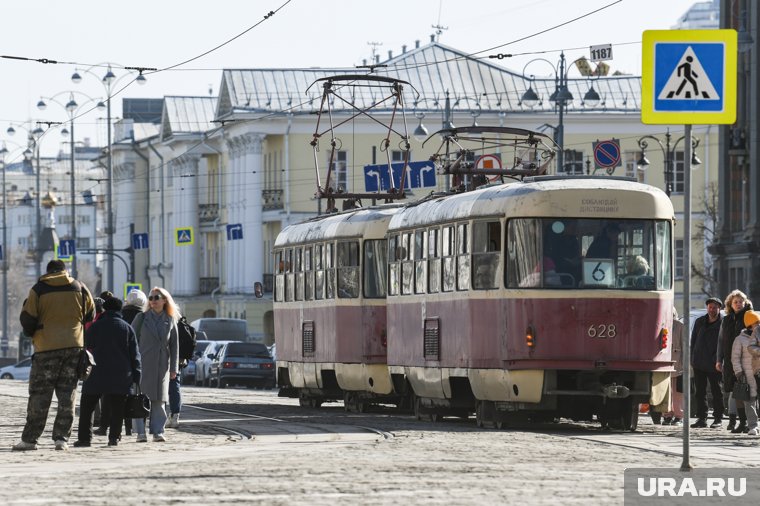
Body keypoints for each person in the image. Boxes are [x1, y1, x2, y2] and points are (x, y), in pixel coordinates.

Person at [13, 260, 95, 451]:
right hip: (74, 347)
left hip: (46, 348)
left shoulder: (38, 289)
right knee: (68, 395)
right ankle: (61, 439)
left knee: (40, 395)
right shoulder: (80, 288)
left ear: (48, 271)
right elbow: (90, 315)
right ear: (65, 271)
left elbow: (28, 320)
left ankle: (30, 440)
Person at [73, 296, 141, 447]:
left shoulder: (96, 326)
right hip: (121, 375)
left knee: (87, 406)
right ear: (119, 310)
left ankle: (85, 438)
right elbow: (135, 354)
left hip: (96, 373)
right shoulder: (127, 328)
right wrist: (137, 375)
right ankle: (114, 438)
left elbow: (86, 345)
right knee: (118, 408)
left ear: (104, 309)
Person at [131, 287, 179, 443]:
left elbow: (174, 346)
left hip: (162, 364)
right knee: (140, 398)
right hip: (142, 363)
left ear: (164, 300)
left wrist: (174, 369)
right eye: (150, 298)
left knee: (159, 399)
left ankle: (158, 431)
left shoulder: (170, 319)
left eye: (156, 297)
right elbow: (131, 340)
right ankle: (140, 432)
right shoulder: (142, 318)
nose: (152, 301)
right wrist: (132, 362)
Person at [716, 289, 753, 433]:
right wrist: (719, 359)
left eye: (740, 301)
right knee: (736, 391)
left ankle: (750, 423)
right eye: (735, 302)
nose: (738, 304)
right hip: (730, 360)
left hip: (747, 360)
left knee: (747, 392)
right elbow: (720, 341)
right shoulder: (726, 319)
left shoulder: (750, 317)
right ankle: (742, 423)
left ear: (745, 302)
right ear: (730, 304)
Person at [690, 297, 725, 428]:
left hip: (715, 362)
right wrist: (693, 358)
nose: (712, 309)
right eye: (710, 307)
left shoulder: (723, 322)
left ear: (719, 308)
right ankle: (701, 418)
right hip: (699, 362)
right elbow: (693, 341)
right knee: (700, 392)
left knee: (717, 391)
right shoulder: (700, 321)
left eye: (715, 307)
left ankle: (718, 418)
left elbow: (724, 343)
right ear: (707, 308)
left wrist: (720, 360)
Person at [730, 310, 760, 436]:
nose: (758, 325)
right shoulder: (740, 339)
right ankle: (753, 426)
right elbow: (735, 357)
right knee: (750, 401)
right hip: (747, 374)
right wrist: (738, 372)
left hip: (758, 372)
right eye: (756, 323)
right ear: (749, 325)